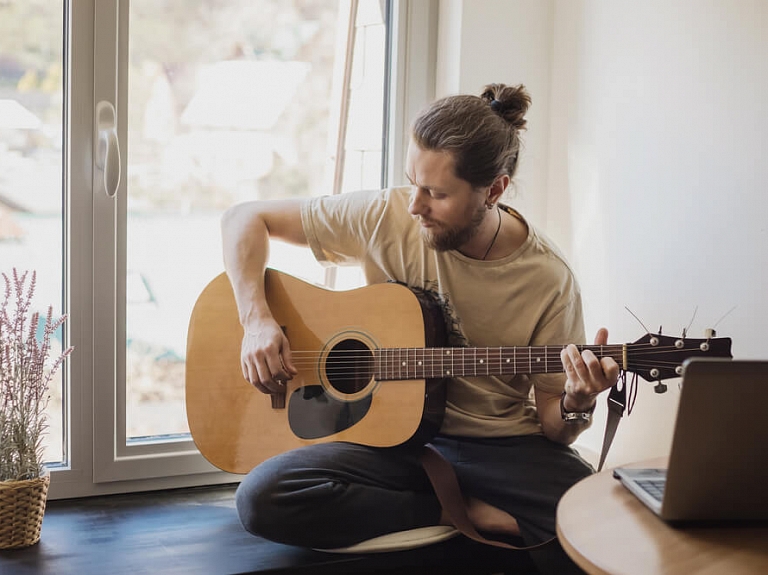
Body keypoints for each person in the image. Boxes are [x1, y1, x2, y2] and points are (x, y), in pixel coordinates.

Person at [221, 83, 620, 573]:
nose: (415, 205)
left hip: (498, 447)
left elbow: (557, 429)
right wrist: (256, 320)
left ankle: (457, 509)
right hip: (387, 441)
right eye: (413, 182)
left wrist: (579, 402)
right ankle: (464, 513)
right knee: (263, 497)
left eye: (436, 193)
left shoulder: (548, 280)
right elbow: (245, 218)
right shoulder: (385, 215)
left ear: (493, 190)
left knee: (599, 523)